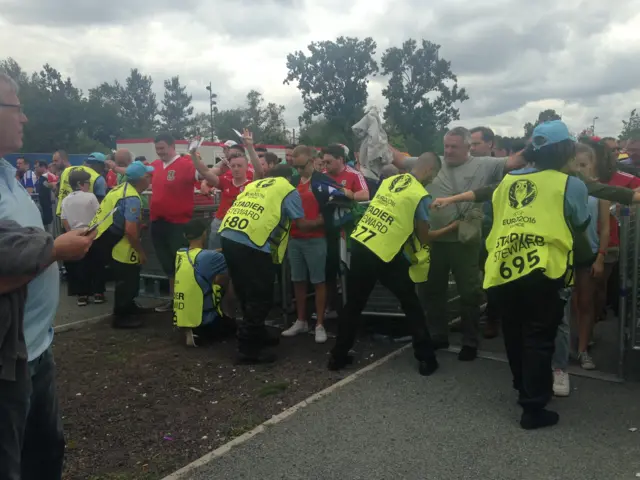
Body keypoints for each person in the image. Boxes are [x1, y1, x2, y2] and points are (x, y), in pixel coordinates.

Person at [0, 72, 95, 480]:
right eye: (16, 108)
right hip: (7, 361)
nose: (24, 119)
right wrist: (55, 249)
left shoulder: (9, 177)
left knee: (45, 454)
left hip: (36, 348)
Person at [482, 120, 588, 430]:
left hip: (502, 265)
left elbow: (495, 218)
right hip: (543, 268)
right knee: (540, 337)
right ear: (565, 149)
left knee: (514, 333)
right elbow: (579, 224)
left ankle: (522, 388)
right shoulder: (570, 184)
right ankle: (533, 407)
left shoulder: (507, 181)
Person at [328, 152, 454, 376]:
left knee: (354, 305)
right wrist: (452, 228)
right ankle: (426, 359)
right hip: (385, 252)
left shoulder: (391, 181)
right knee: (411, 304)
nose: (432, 180)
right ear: (429, 170)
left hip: (361, 244)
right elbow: (424, 237)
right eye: (434, 175)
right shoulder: (419, 194)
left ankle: (337, 357)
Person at [421, 126, 525, 362]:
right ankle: (438, 334)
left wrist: (540, 144)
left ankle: (470, 341)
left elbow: (515, 162)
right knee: (433, 290)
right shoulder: (433, 163)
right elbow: (396, 160)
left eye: (453, 146)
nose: (447, 151)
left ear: (468, 147)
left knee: (469, 291)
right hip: (435, 240)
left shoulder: (485, 164)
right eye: (446, 145)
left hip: (465, 241)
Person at [219, 165, 318, 364]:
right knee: (260, 295)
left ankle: (257, 334)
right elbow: (302, 225)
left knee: (245, 291)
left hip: (228, 235)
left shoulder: (255, 185)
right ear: (289, 177)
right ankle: (248, 349)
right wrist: (327, 219)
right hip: (253, 241)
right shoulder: (287, 189)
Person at [87, 161, 154, 328]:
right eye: (149, 175)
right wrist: (141, 252)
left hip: (102, 236)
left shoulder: (120, 188)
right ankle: (121, 316)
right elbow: (130, 231)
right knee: (127, 277)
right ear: (143, 179)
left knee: (127, 275)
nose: (151, 178)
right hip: (113, 239)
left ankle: (129, 307)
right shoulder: (132, 197)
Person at [281, 146, 332, 343]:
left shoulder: (324, 181)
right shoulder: (293, 181)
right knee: (298, 280)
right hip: (295, 238)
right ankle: (301, 320)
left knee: (319, 280)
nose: (299, 171)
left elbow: (334, 209)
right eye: (296, 167)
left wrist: (318, 222)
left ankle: (319, 323)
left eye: (302, 166)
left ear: (312, 162)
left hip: (316, 237)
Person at [149, 133, 204, 312]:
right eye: (157, 149)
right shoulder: (155, 165)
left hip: (178, 223)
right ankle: (174, 300)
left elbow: (203, 174)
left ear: (172, 146)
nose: (159, 152)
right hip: (158, 221)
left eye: (162, 148)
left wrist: (195, 156)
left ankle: (187, 300)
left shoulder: (186, 164)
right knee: (167, 264)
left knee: (181, 262)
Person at [173, 218, 233, 347]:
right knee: (233, 327)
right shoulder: (214, 258)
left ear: (185, 235)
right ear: (205, 233)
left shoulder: (180, 253)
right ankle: (226, 314)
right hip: (205, 322)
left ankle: (190, 330)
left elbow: (200, 257)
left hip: (183, 319)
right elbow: (222, 280)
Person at [204, 130, 263, 250]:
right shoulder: (225, 168)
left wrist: (250, 146)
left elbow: (260, 172)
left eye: (230, 153)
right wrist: (205, 183)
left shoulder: (250, 171)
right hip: (221, 220)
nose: (227, 155)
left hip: (241, 222)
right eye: (227, 153)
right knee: (215, 255)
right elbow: (207, 174)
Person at [60, 170, 102, 306]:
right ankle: (98, 293)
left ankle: (82, 295)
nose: (88, 185)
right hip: (91, 233)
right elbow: (98, 214)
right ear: (80, 184)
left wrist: (70, 233)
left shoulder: (65, 200)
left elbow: (64, 220)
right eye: (87, 183)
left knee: (79, 266)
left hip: (75, 234)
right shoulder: (90, 197)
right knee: (96, 264)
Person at [55, 152, 104, 219]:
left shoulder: (67, 170)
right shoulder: (98, 179)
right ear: (100, 165)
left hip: (64, 215)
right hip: (87, 219)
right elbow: (100, 204)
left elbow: (57, 192)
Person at [34, 160, 54, 233]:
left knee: (50, 231)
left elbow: (54, 189)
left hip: (49, 208)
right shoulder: (41, 178)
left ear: (42, 167)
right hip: (43, 208)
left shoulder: (49, 176)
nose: (35, 169)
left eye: (36, 167)